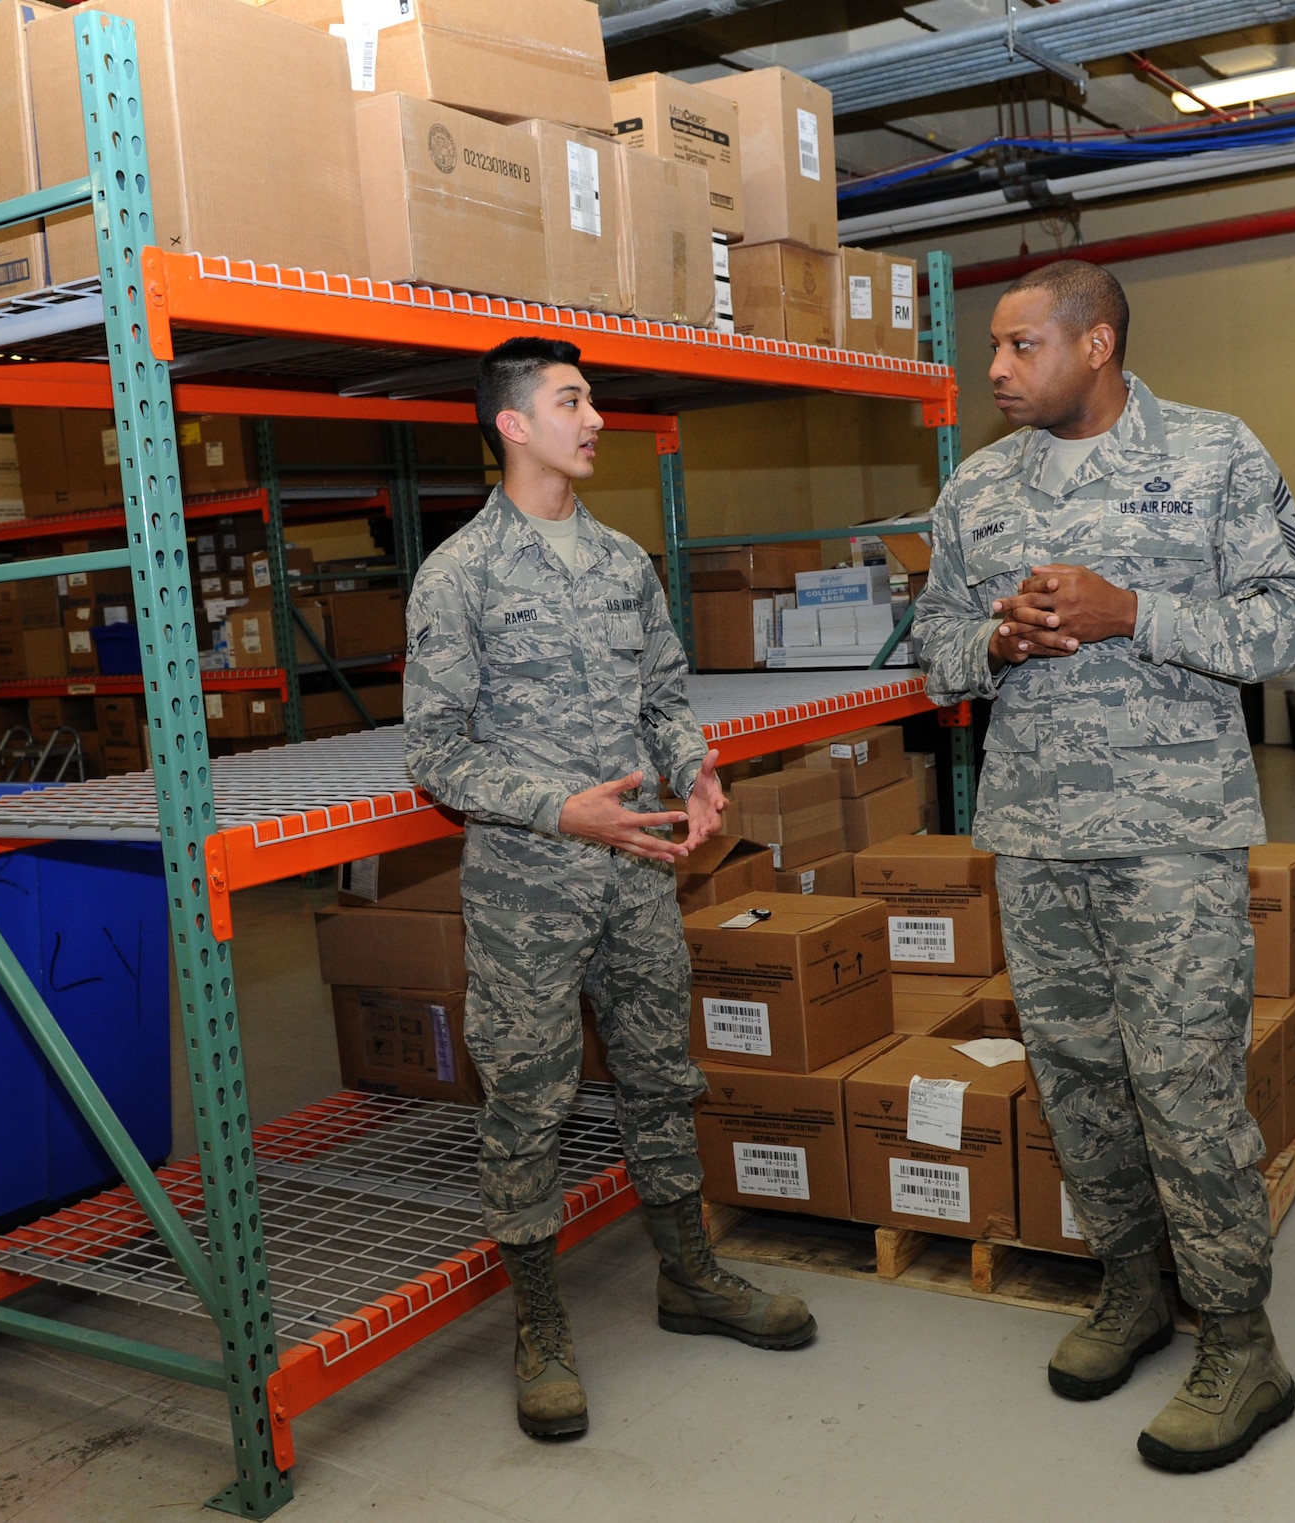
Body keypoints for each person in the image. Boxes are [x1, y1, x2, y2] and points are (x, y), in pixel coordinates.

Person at [912, 260, 1295, 1472]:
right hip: (1034, 836)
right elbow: (934, 646)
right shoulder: (977, 486)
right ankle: (1130, 1288)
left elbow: (1293, 620)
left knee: (1183, 1089)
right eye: (987, 347)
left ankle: (1241, 1341)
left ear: (1093, 345)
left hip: (1170, 836)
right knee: (1078, 1079)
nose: (992, 369)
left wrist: (1126, 610)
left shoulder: (1209, 454)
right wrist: (994, 635)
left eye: (1017, 345)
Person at [404, 336, 815, 1440]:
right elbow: (436, 752)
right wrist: (559, 808)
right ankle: (540, 1330)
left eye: (591, 401)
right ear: (512, 424)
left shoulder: (623, 562)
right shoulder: (458, 575)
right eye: (571, 401)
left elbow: (666, 696)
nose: (594, 419)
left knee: (660, 1075)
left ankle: (688, 1276)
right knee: (527, 1103)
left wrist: (699, 769)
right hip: (527, 891)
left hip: (637, 879)